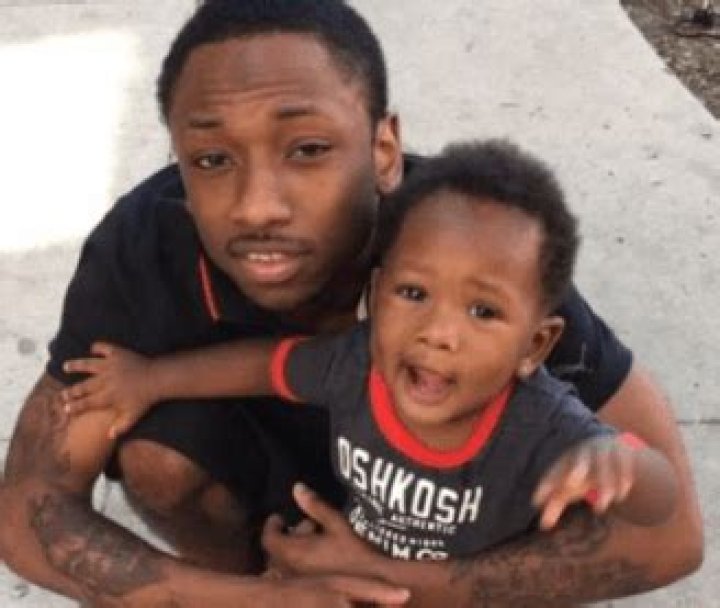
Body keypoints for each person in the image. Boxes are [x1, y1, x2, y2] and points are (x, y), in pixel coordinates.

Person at [0, 0, 702, 606]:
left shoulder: (470, 251)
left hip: (450, 524)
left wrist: (395, 583)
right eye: (212, 160)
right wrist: (263, 600)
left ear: (384, 149)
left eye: (307, 148)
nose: (257, 207)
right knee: (158, 455)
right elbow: (29, 514)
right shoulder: (144, 252)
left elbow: (672, 538)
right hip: (275, 514)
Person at [62, 139, 679, 563]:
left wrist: (621, 464)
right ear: (377, 295)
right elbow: (263, 365)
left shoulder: (544, 424)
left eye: (483, 312)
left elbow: (662, 503)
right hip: (357, 561)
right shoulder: (356, 364)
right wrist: (152, 379)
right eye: (414, 294)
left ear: (535, 345)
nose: (438, 332)